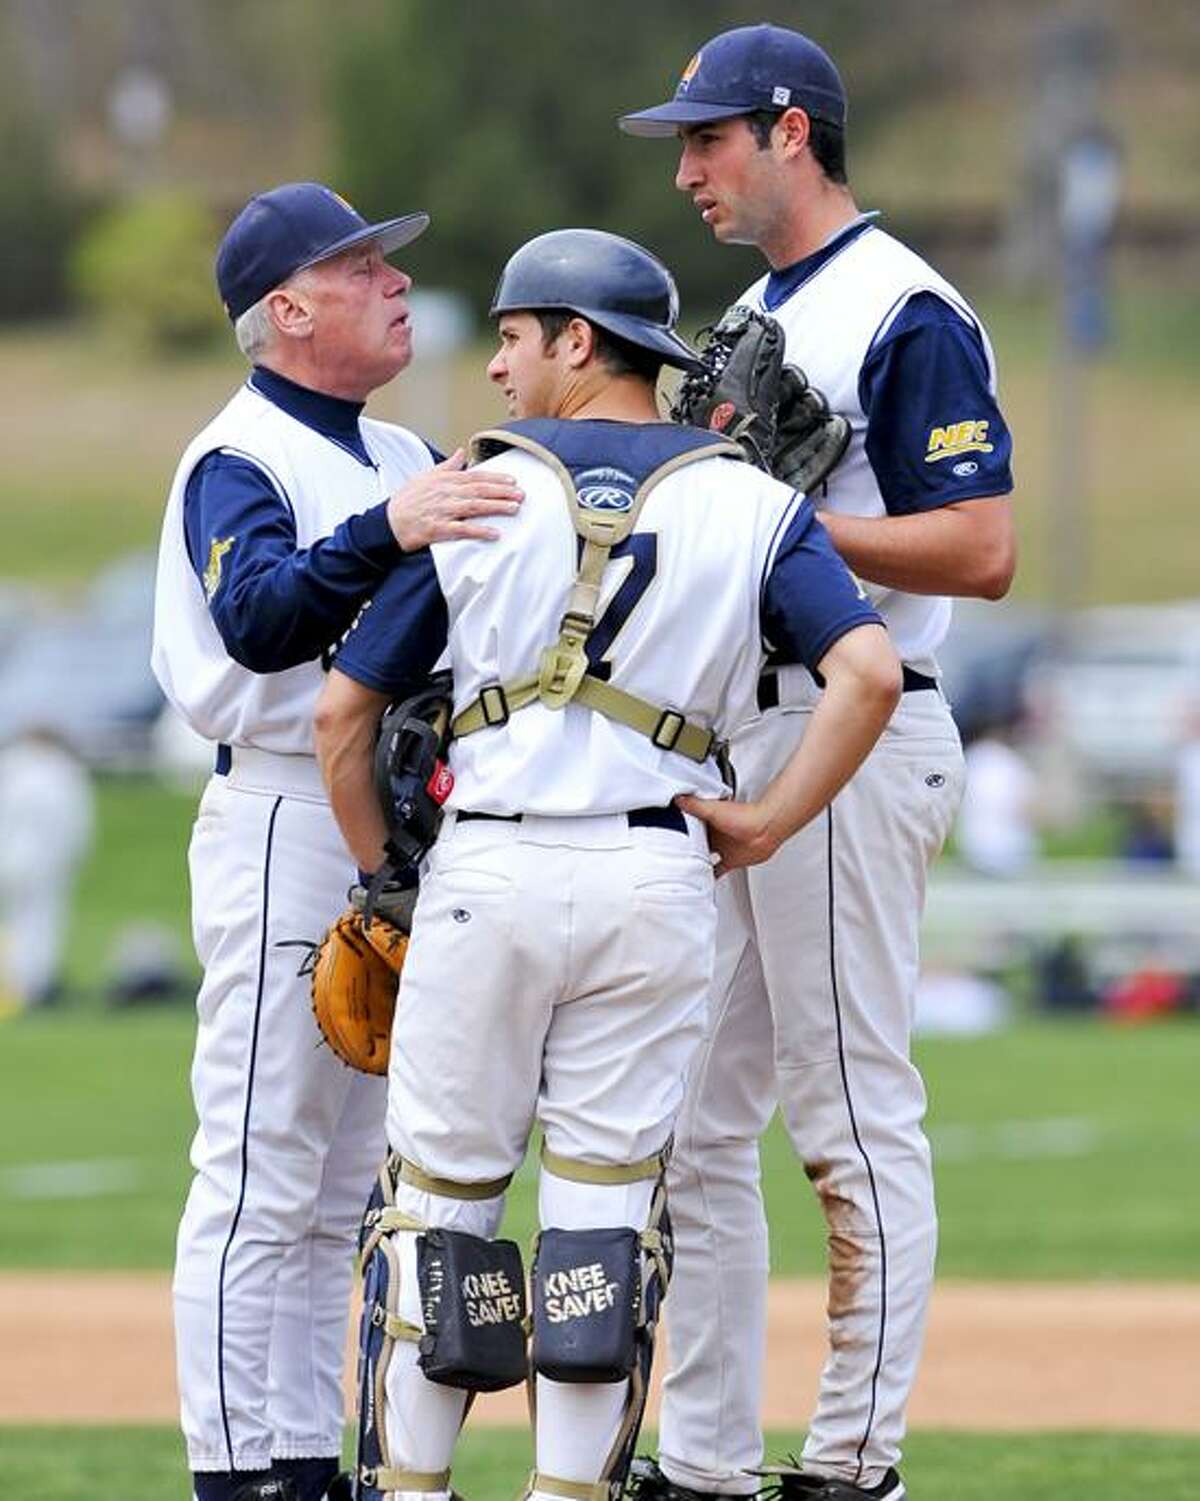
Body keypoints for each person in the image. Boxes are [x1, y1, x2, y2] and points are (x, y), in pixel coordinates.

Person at [312, 228, 902, 1501]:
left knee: (438, 1222)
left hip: (490, 877)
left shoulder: (482, 485)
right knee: (600, 1236)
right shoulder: (752, 498)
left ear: (578, 342)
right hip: (653, 885)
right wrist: (775, 818)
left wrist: (383, 885)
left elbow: (338, 716)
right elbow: (865, 669)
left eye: (516, 340)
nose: (499, 370)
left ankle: (413, 1490)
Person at [620, 24, 1017, 1501]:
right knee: (683, 1124)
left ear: (792, 132)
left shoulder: (904, 310)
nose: (688, 169)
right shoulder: (756, 310)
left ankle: (855, 1459)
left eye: (708, 140)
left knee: (849, 1116)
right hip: (742, 727)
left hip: (857, 720)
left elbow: (981, 548)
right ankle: (707, 1462)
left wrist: (783, 522)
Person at [151, 180, 523, 1501]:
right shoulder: (240, 454)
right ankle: (237, 1466)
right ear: (290, 307)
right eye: (363, 267)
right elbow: (255, 619)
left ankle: (310, 1457)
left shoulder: (407, 451)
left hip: (392, 818)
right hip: (279, 808)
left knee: (347, 1182)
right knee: (258, 1163)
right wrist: (390, 530)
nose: (395, 283)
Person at [0, 726, 94, 1014]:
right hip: (45, 861)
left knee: (17, 923)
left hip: (9, 856)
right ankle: (34, 985)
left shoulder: (10, 766)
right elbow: (75, 823)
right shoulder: (63, 772)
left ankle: (15, 984)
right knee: (38, 923)